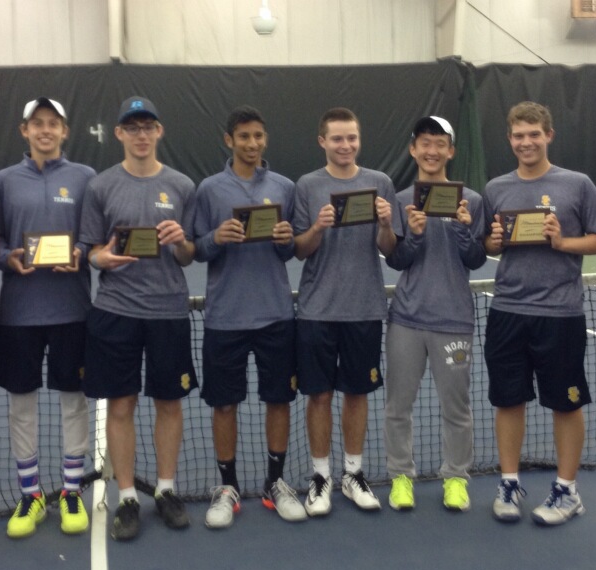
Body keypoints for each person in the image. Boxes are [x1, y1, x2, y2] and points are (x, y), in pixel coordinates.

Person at [483, 101, 596, 525]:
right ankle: (508, 482)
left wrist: (563, 243)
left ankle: (566, 490)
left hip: (560, 314)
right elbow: (488, 244)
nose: (526, 142)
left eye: (533, 134)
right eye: (518, 135)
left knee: (565, 404)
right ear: (510, 139)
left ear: (548, 136)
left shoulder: (577, 185)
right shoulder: (496, 188)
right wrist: (494, 243)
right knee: (508, 400)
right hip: (507, 310)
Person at [79, 96, 198, 541]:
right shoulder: (100, 186)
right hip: (115, 313)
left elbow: (189, 256)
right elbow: (92, 250)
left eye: (148, 126)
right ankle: (127, 496)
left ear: (159, 132)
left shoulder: (183, 185)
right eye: (133, 127)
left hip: (168, 311)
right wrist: (104, 258)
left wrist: (181, 240)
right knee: (121, 405)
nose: (141, 134)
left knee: (170, 403)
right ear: (120, 134)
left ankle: (165, 490)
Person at [191, 106, 307, 528]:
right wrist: (215, 238)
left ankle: (275, 483)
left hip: (276, 313)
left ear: (266, 139)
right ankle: (227, 487)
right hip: (225, 316)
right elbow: (196, 248)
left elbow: (290, 249)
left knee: (279, 399)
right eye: (244, 136)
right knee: (225, 404)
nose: (252, 143)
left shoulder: (284, 187)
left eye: (258, 136)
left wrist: (285, 238)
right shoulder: (208, 189)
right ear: (229, 140)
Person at [0, 97, 96, 538]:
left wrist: (82, 253)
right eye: (38, 124)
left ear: (65, 131)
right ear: (24, 130)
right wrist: (4, 258)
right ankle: (30, 495)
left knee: (74, 400)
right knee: (21, 404)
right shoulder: (3, 180)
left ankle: (72, 491)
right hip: (18, 314)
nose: (46, 130)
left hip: (73, 310)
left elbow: (94, 235)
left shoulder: (85, 178)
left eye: (54, 124)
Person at [293, 107, 396, 516]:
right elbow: (298, 250)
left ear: (359, 139)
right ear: (322, 141)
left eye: (351, 138)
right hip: (317, 309)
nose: (345, 145)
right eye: (337, 138)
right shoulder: (306, 186)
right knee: (318, 395)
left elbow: (389, 248)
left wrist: (387, 224)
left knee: (357, 393)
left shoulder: (379, 183)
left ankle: (353, 473)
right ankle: (321, 477)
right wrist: (317, 227)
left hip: (365, 307)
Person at [383, 116, 486, 512]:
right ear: (413, 149)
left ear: (450, 151)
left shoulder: (471, 201)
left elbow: (476, 258)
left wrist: (463, 228)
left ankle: (456, 479)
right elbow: (397, 260)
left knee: (457, 408)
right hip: (406, 320)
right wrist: (415, 233)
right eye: (424, 143)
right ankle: (401, 478)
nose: (431, 150)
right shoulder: (401, 200)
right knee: (397, 407)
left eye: (439, 143)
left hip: (454, 321)